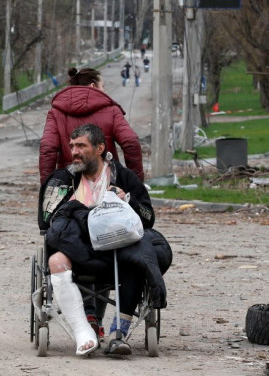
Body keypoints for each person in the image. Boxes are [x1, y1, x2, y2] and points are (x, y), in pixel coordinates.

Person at [42, 124, 171, 357]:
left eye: (81, 146)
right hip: (80, 251)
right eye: (72, 146)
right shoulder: (63, 180)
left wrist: (127, 200)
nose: (75, 152)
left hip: (118, 250)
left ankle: (118, 334)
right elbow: (47, 221)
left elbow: (148, 218)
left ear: (100, 147)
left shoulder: (123, 177)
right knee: (56, 260)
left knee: (136, 256)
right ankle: (85, 330)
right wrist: (73, 206)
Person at [39, 67, 144, 185]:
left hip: (69, 185)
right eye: (103, 86)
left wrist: (47, 188)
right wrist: (136, 184)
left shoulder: (56, 113)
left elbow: (47, 148)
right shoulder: (112, 111)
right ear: (93, 87)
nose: (104, 91)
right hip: (106, 185)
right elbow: (131, 142)